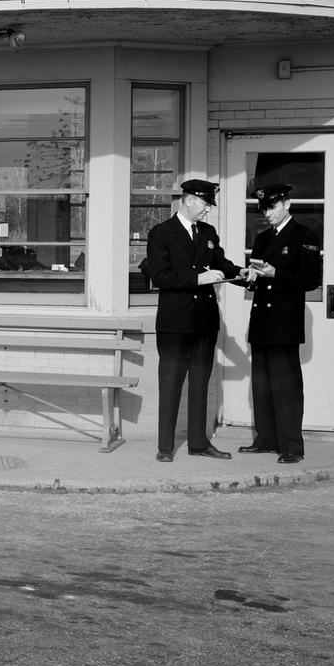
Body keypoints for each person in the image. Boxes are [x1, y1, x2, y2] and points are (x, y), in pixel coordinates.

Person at [144, 179, 244, 462]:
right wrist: (197, 278)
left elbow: (222, 266)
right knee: (171, 383)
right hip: (175, 323)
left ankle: (198, 443)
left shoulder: (208, 233)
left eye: (210, 205)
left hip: (204, 321)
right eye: (204, 204)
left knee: (200, 382)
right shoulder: (162, 233)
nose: (207, 210)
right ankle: (165, 447)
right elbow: (159, 276)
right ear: (188, 200)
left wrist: (243, 275)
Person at [237, 183, 323, 464]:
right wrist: (251, 277)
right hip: (262, 320)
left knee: (286, 387)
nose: (267, 213)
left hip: (284, 324)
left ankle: (291, 446)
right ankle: (266, 439)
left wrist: (277, 273)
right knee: (261, 385)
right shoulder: (262, 239)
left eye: (272, 207)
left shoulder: (305, 236)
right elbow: (259, 275)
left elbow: (311, 280)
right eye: (263, 208)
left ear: (287, 204)